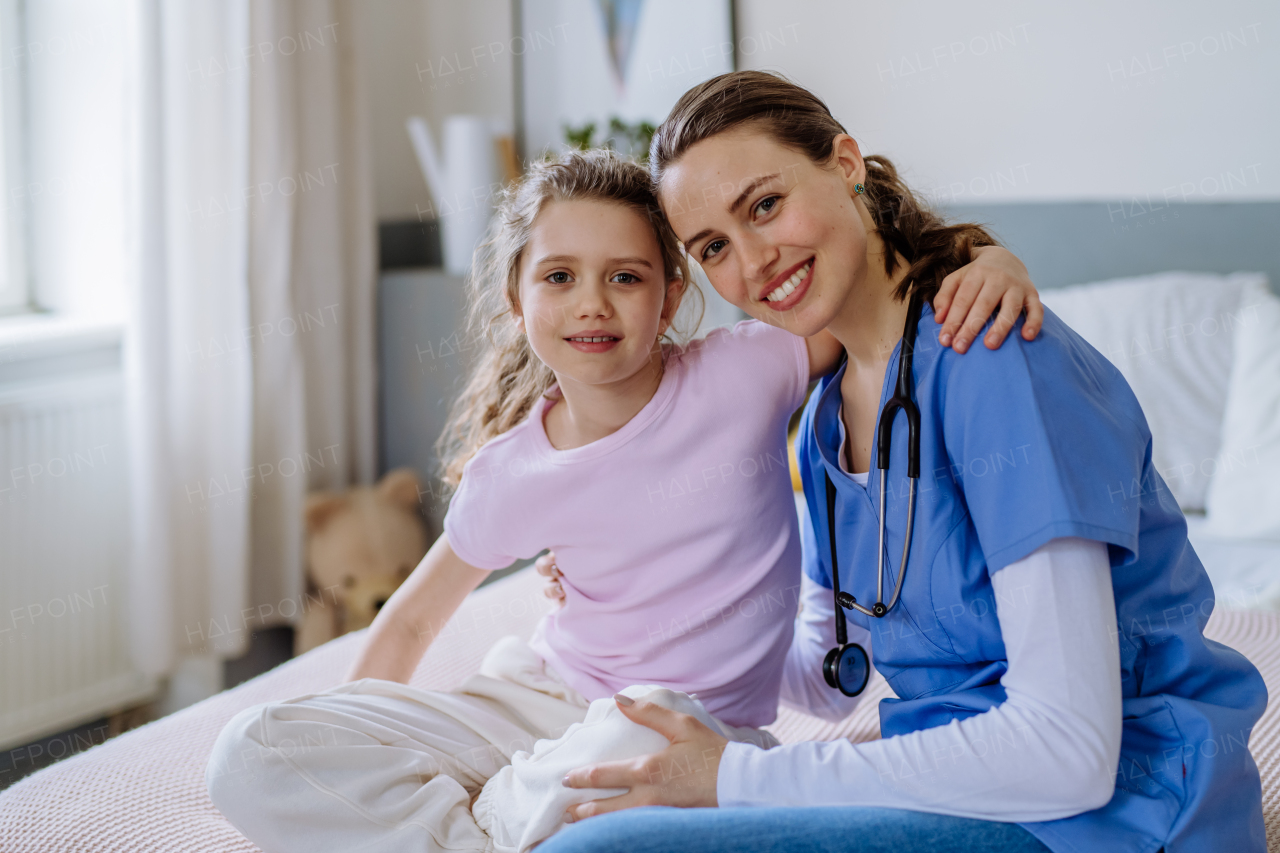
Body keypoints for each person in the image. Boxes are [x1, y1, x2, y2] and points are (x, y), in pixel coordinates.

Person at [204, 147, 1045, 853]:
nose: (592, 304)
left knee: (646, 725)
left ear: (671, 296)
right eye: (560, 276)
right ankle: (490, 826)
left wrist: (986, 262)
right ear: (517, 299)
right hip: (529, 701)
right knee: (253, 748)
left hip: (683, 734)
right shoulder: (513, 471)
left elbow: (883, 301)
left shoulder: (747, 371)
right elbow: (414, 621)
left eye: (627, 277)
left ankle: (499, 813)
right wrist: (364, 734)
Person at [545, 71, 1269, 853]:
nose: (753, 260)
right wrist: (639, 589)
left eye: (765, 205)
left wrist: (734, 779)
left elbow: (1070, 751)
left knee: (596, 848)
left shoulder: (992, 355)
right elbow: (829, 682)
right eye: (714, 247)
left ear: (846, 162)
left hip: (1115, 814)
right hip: (964, 793)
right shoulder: (826, 420)